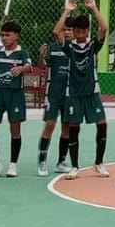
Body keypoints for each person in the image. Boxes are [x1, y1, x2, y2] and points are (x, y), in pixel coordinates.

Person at [53, 0, 110, 180]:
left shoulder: (93, 45)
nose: (79, 33)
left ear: (87, 31)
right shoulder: (69, 47)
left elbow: (104, 28)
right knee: (73, 128)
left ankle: (99, 162)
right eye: (76, 30)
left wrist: (94, 8)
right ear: (74, 31)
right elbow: (56, 32)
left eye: (83, 30)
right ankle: (75, 166)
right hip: (74, 94)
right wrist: (67, 11)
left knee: (102, 125)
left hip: (92, 92)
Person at [0, 21, 33, 177]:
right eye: (2, 35)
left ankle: (13, 165)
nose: (4, 38)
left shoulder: (22, 53)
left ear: (16, 36)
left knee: (15, 129)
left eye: (7, 35)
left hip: (15, 95)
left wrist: (21, 68)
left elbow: (28, 66)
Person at [36, 37, 70, 176]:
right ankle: (42, 161)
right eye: (64, 29)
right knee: (50, 125)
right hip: (53, 94)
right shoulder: (53, 47)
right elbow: (42, 66)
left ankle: (61, 162)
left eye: (69, 29)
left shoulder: (77, 47)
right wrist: (41, 55)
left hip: (70, 94)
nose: (67, 32)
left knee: (67, 127)